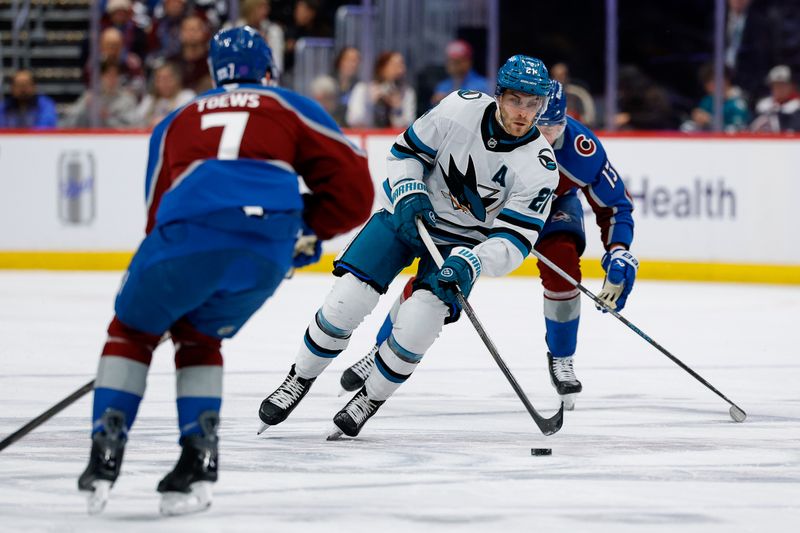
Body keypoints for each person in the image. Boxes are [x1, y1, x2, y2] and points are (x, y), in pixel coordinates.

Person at [76, 26, 373, 516]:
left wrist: (169, 284)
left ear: (214, 74)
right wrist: (302, 230)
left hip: (187, 237)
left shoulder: (175, 119)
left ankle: (104, 453)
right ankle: (198, 457)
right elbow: (356, 190)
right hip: (266, 249)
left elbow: (156, 211)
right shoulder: (287, 105)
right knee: (199, 338)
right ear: (269, 70)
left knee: (130, 331)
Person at [258, 55, 560, 439]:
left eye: (534, 103)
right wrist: (409, 189)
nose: (524, 112)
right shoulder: (459, 108)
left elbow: (515, 241)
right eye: (517, 100)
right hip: (408, 214)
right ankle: (298, 379)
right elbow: (406, 153)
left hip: (462, 243)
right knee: (347, 300)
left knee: (418, 322)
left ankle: (370, 398)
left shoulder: (540, 166)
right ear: (498, 96)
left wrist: (473, 261)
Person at [339, 81, 638, 411]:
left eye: (554, 127)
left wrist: (619, 249)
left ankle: (563, 358)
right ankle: (383, 349)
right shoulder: (497, 129)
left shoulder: (583, 150)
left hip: (551, 209)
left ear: (566, 120)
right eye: (540, 125)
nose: (546, 136)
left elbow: (614, 206)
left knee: (564, 265)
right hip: (485, 210)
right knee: (443, 273)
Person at [346, 51, 416, 128]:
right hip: (368, 137)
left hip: (393, 137)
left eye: (402, 65)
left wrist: (396, 109)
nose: (400, 70)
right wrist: (370, 103)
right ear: (382, 68)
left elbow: (408, 124)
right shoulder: (362, 89)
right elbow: (353, 120)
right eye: (395, 65)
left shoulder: (407, 92)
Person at [63, 61, 139, 128]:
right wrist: (84, 106)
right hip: (91, 140)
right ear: (101, 77)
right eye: (108, 75)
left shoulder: (127, 99)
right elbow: (69, 120)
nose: (112, 80)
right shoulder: (90, 96)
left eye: (115, 75)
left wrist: (108, 118)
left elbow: (133, 125)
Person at [681, 64, 750, 133]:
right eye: (706, 82)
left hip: (730, 142)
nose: (709, 86)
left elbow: (738, 132)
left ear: (726, 80)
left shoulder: (738, 103)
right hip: (708, 140)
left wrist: (710, 121)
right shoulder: (707, 100)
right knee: (688, 126)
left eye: (712, 81)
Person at [134, 61, 195, 127]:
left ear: (177, 79)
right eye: (159, 79)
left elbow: (190, 121)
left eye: (167, 79)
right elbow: (137, 122)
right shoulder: (149, 100)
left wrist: (165, 122)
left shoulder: (187, 96)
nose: (163, 83)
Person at [430, 39, 489, 106]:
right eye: (449, 61)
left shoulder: (484, 85)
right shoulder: (442, 86)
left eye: (457, 62)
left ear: (468, 62)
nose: (452, 65)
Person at [751, 65, 800, 132]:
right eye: (776, 85)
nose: (780, 89)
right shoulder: (763, 105)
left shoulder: (797, 106)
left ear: (791, 86)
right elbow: (752, 128)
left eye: (783, 85)